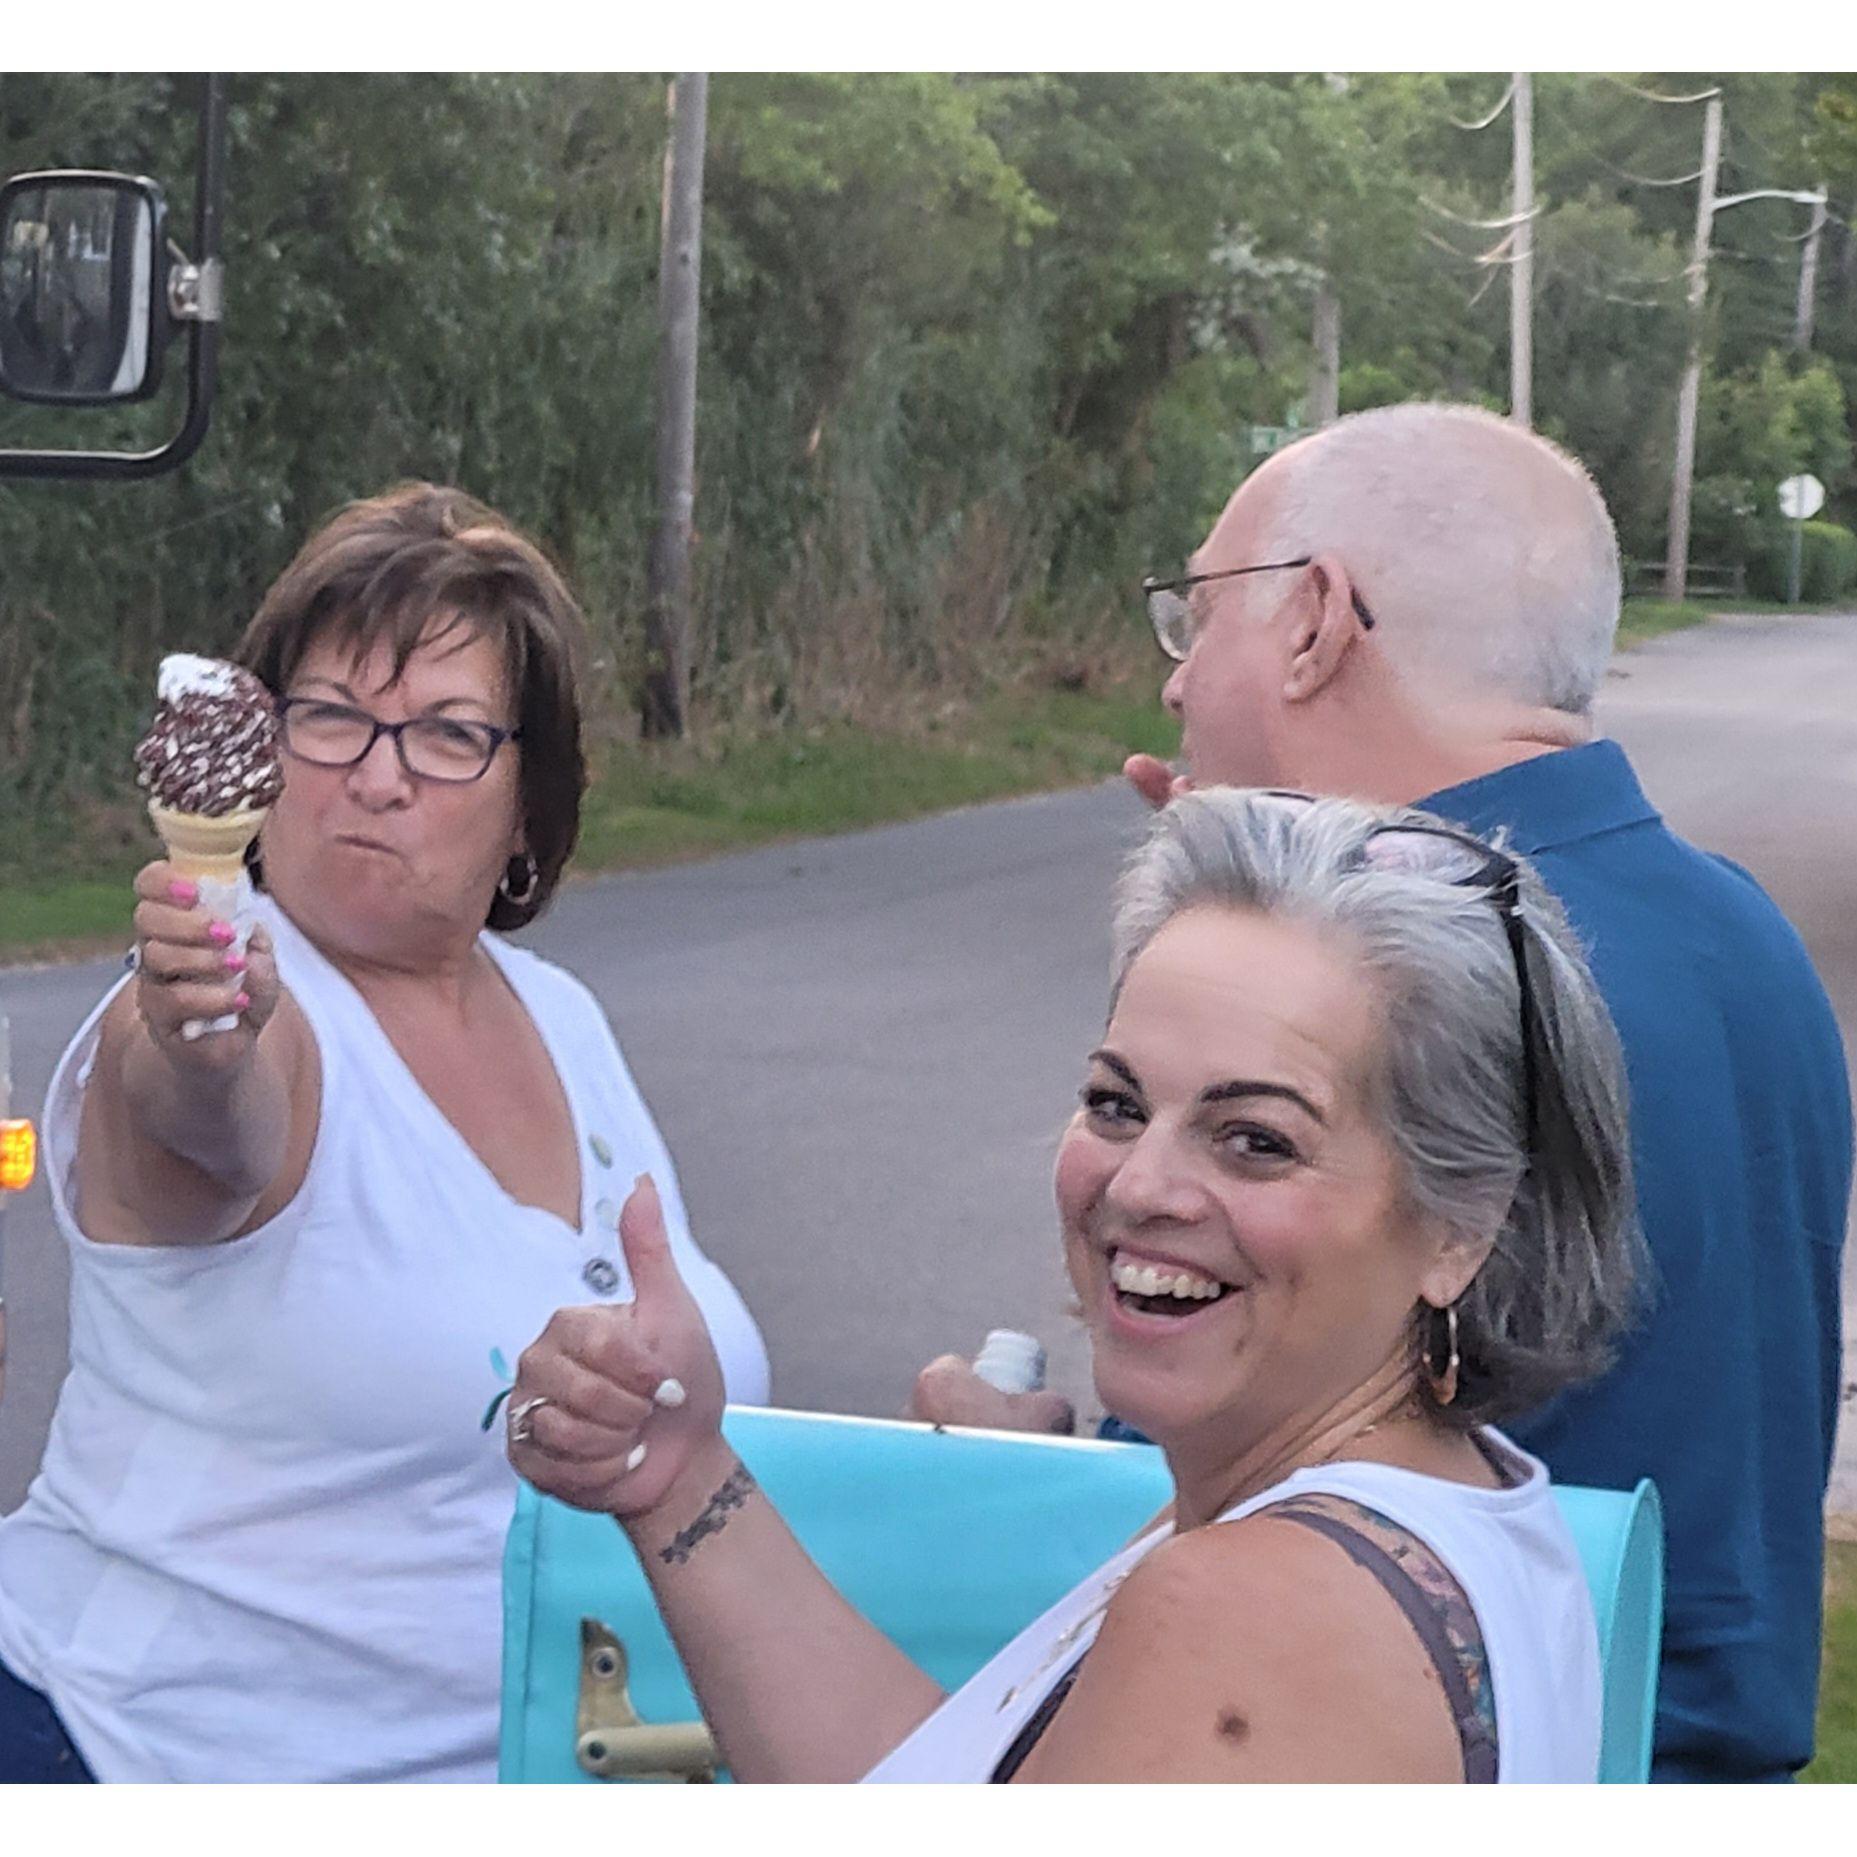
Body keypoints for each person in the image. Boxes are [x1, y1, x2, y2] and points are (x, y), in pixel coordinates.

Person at [918, 403, 1853, 1782]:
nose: (1175, 683)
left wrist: (1037, 1491)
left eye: (1198, 615)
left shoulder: (1472, 998)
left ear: (1313, 620)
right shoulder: (1735, 934)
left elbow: (1245, 1500)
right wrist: (1256, 924)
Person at [509, 787, 1642, 1782]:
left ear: (1461, 1224)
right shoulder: (1435, 1513)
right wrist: (678, 1480)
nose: (1141, 1184)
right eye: (1117, 1104)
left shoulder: (1255, 1616)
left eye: (1254, 1139)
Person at [0, 484, 770, 1782]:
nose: (377, 773)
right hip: (135, 1754)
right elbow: (215, 1111)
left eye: (448, 734)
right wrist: (205, 1021)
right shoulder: (253, 1003)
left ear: (532, 801)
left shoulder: (565, 1018)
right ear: (260, 750)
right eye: (331, 718)